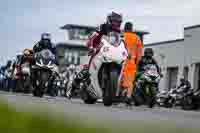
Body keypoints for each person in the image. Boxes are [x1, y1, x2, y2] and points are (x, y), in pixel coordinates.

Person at [118, 22, 143, 105]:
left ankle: (115, 96)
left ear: (124, 28)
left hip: (119, 60)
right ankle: (128, 97)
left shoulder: (120, 35)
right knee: (130, 82)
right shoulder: (137, 38)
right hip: (131, 62)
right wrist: (137, 63)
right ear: (132, 29)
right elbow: (139, 53)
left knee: (118, 79)